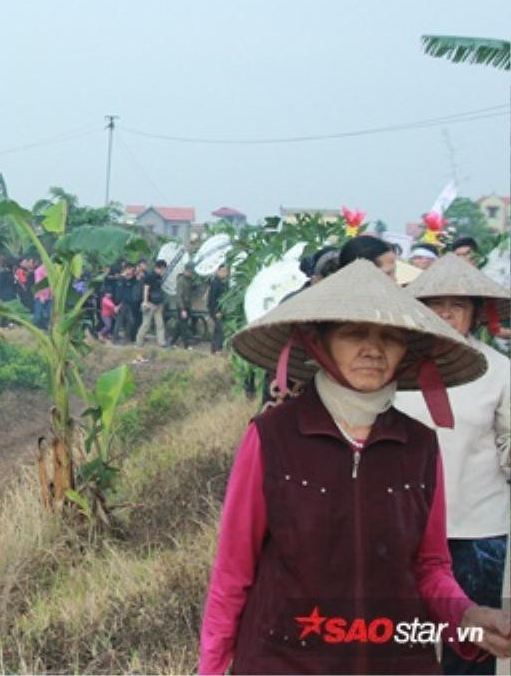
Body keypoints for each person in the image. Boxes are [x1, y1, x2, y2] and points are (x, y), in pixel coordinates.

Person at [200, 260, 510, 674]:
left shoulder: (418, 445)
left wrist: (467, 620)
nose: (373, 349)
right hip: (286, 659)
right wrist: (212, 667)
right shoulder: (272, 437)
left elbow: (429, 568)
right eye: (353, 333)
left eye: (390, 337)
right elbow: (233, 573)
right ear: (319, 343)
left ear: (406, 352)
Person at [396, 253, 511, 676]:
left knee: (472, 646)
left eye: (458, 306)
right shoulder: (395, 368)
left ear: (476, 314)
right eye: (436, 305)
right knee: (405, 638)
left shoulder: (500, 371)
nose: (446, 314)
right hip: (404, 524)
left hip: (476, 528)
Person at [135, 259, 167, 347]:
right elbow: (146, 289)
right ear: (159, 268)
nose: (164, 272)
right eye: (163, 269)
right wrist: (145, 302)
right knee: (146, 324)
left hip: (158, 303)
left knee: (160, 324)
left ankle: (161, 342)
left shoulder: (159, 277)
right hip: (150, 303)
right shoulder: (150, 276)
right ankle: (139, 342)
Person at [208, 262, 229, 354]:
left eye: (226, 271)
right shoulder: (215, 283)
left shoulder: (224, 282)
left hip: (222, 310)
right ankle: (218, 350)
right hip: (216, 311)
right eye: (223, 271)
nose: (225, 273)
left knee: (217, 330)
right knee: (220, 330)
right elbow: (212, 299)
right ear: (218, 271)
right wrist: (216, 311)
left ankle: (214, 349)